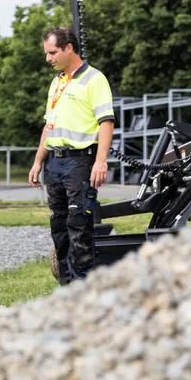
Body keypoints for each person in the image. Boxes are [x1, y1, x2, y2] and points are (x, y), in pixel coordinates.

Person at [28, 26, 115, 284]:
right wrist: (38, 161)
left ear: (69, 48)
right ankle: (66, 286)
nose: (48, 58)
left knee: (79, 226)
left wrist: (100, 161)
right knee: (59, 227)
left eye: (52, 52)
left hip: (80, 162)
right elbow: (49, 125)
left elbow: (106, 122)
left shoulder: (94, 79)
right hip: (55, 163)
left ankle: (83, 288)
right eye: (46, 53)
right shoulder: (57, 83)